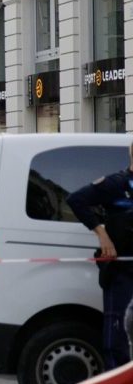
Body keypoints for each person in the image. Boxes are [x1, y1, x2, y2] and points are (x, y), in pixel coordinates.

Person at [66, 143, 133, 370]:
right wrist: (102, 234)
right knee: (117, 337)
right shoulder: (116, 184)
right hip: (122, 272)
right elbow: (76, 200)